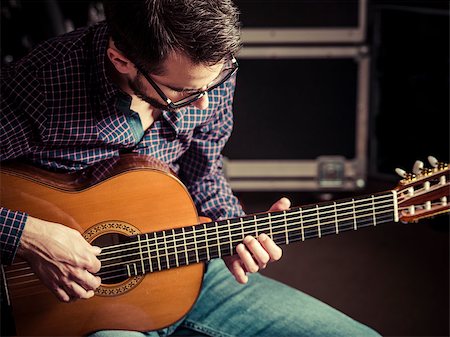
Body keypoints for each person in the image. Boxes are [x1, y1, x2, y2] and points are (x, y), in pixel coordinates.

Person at [0, 1, 380, 336]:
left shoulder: (208, 73)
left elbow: (202, 173)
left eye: (215, 82)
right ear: (122, 60)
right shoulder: (44, 84)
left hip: (184, 263)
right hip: (64, 305)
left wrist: (234, 229)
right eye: (183, 92)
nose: (204, 105)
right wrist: (28, 236)